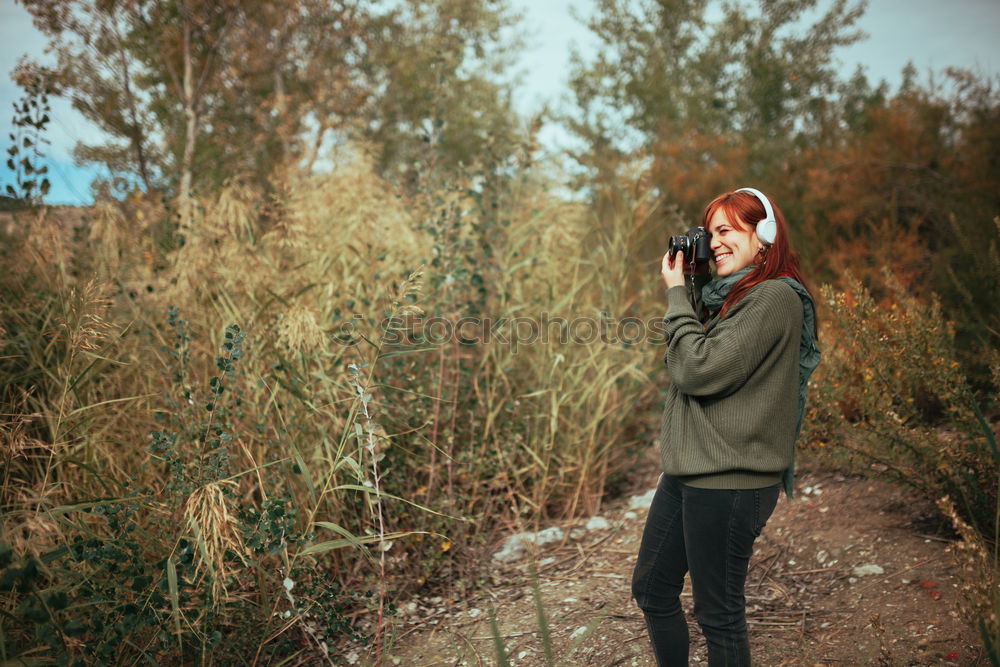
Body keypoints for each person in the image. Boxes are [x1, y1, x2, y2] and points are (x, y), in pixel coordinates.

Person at [631, 188, 820, 666]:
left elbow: (697, 370)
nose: (714, 242)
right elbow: (693, 356)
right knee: (652, 589)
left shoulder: (774, 297)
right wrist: (692, 289)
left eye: (726, 231)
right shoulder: (731, 298)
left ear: (766, 236)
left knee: (719, 616)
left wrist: (676, 294)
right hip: (691, 472)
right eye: (709, 232)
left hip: (731, 482)